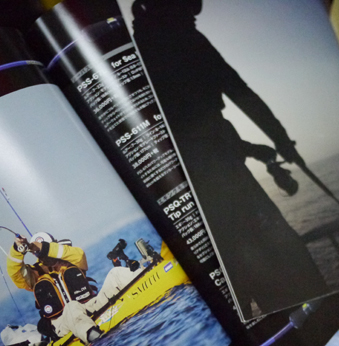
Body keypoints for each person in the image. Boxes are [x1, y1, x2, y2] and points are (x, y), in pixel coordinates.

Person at [131, 0, 327, 316]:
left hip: (202, 175)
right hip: (222, 175)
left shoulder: (142, 45)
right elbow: (241, 94)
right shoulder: (186, 41)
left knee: (243, 269)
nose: (194, 13)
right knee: (275, 259)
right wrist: (280, 140)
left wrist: (258, 147)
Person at [7, 232, 141, 345]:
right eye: (37, 252)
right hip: (62, 322)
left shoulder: (71, 259)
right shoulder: (34, 274)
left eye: (42, 249)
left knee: (115, 273)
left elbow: (79, 255)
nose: (42, 255)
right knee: (72, 307)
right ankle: (98, 339)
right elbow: (16, 274)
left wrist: (37, 246)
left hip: (90, 306)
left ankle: (147, 278)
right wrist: (17, 248)